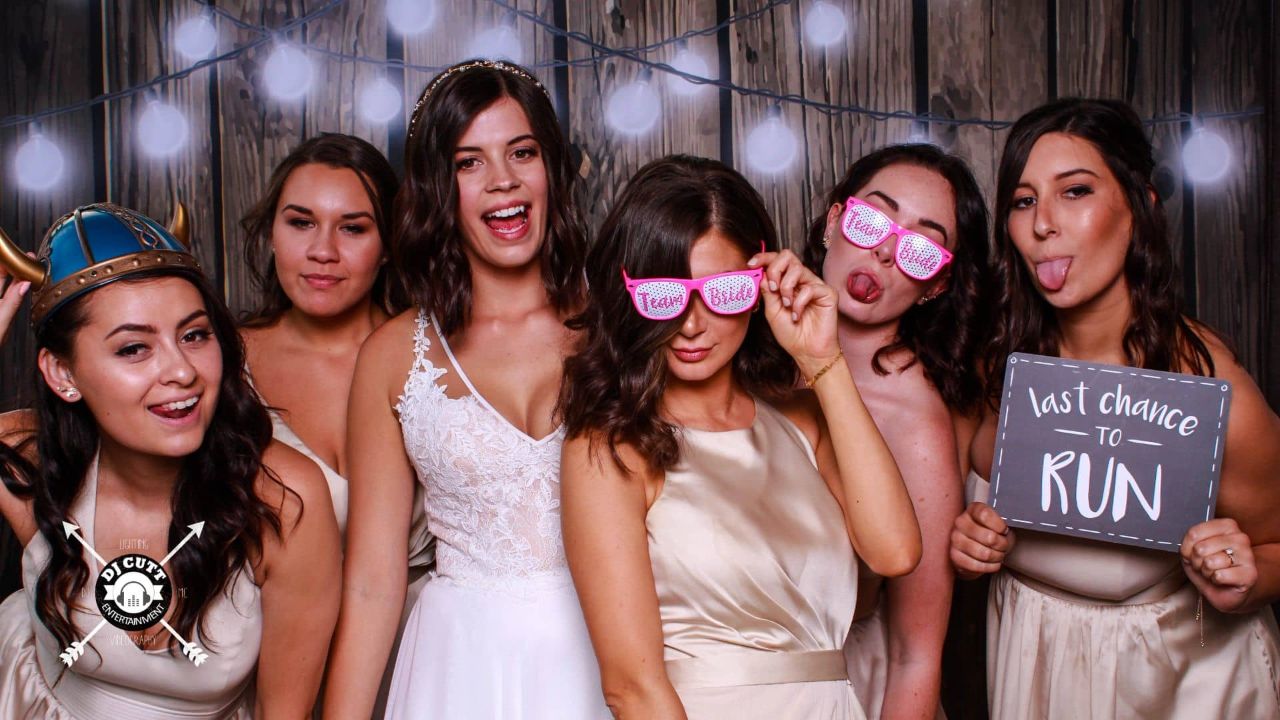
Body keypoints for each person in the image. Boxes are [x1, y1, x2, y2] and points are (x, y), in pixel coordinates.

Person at [949, 98, 1280, 719]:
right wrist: (966, 548)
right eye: (1023, 201)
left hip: (1179, 681)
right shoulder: (996, 363)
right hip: (1033, 663)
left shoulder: (1205, 382)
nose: (1043, 223)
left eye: (1075, 192)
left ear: (1140, 208)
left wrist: (1246, 578)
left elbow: (1276, 545)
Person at [559, 155, 922, 719]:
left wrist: (823, 361)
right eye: (665, 294)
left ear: (761, 286)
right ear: (629, 292)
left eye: (724, 291)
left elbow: (895, 551)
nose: (692, 323)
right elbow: (632, 687)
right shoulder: (611, 446)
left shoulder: (804, 419)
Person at [322, 60, 609, 719]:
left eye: (522, 153)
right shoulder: (395, 354)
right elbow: (371, 582)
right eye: (468, 162)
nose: (503, 180)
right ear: (438, 189)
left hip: (611, 644)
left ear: (553, 170)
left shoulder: (618, 323)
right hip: (463, 668)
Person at [0, 203, 341, 718]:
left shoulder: (283, 498)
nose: (182, 371)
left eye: (194, 335)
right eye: (134, 348)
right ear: (62, 374)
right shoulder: (29, 458)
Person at [235, 133, 433, 713]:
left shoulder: (432, 357)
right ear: (271, 232)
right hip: (270, 661)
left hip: (416, 655)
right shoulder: (216, 364)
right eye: (301, 223)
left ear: (390, 244)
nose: (324, 250)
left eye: (353, 227)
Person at [802, 144, 990, 719]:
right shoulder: (739, 350)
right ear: (835, 221)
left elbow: (916, 655)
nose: (885, 251)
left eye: (920, 248)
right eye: (871, 220)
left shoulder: (916, 421)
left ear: (935, 286)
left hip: (849, 688)